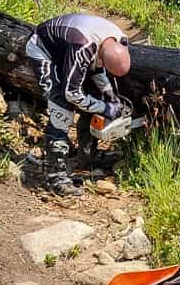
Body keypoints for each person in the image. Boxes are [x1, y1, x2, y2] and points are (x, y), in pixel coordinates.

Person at [25, 12, 132, 196]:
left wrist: (110, 95)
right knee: (61, 106)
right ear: (101, 57)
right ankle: (55, 177)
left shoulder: (121, 38)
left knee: (95, 94)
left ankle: (87, 155)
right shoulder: (83, 46)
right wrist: (105, 108)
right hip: (45, 50)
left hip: (71, 49)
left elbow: (98, 70)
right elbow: (72, 93)